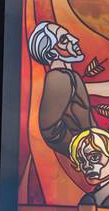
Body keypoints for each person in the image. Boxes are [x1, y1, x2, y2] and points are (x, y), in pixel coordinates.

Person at [29, 21, 94, 155]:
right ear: (51, 54)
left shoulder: (69, 76)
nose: (74, 40)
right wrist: (84, 151)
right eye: (64, 40)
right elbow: (49, 131)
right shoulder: (59, 77)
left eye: (69, 36)